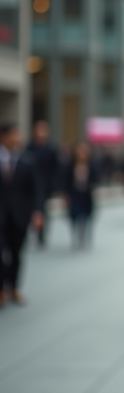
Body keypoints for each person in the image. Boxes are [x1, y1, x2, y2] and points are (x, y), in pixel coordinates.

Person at [0, 123, 41, 306]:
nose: (17, 138)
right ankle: (2, 289)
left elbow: (36, 190)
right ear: (3, 137)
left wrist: (37, 212)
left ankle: (14, 288)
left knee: (16, 255)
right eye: (13, 134)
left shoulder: (28, 161)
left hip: (19, 217)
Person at [25, 120, 60, 248]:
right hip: (29, 185)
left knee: (42, 210)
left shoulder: (51, 149)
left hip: (45, 186)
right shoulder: (29, 148)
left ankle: (41, 233)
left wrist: (55, 186)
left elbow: (56, 169)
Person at [62, 142, 99, 250]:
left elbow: (95, 179)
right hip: (74, 195)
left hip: (86, 196)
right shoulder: (70, 166)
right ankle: (75, 236)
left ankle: (84, 237)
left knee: (86, 218)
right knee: (74, 216)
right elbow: (65, 181)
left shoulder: (91, 166)